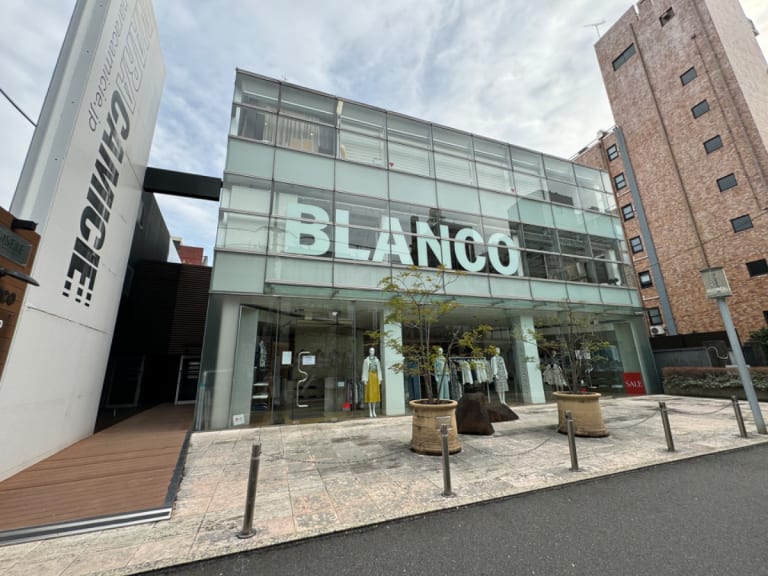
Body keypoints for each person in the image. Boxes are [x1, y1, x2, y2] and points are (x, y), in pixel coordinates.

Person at [361, 347, 382, 417]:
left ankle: (374, 410)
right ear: (369, 352)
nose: (372, 352)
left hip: (375, 376)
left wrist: (379, 379)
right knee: (370, 394)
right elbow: (364, 370)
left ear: (374, 352)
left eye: (373, 351)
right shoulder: (366, 360)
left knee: (375, 394)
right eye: (371, 351)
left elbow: (379, 370)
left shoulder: (377, 360)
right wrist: (365, 380)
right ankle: (370, 410)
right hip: (369, 377)